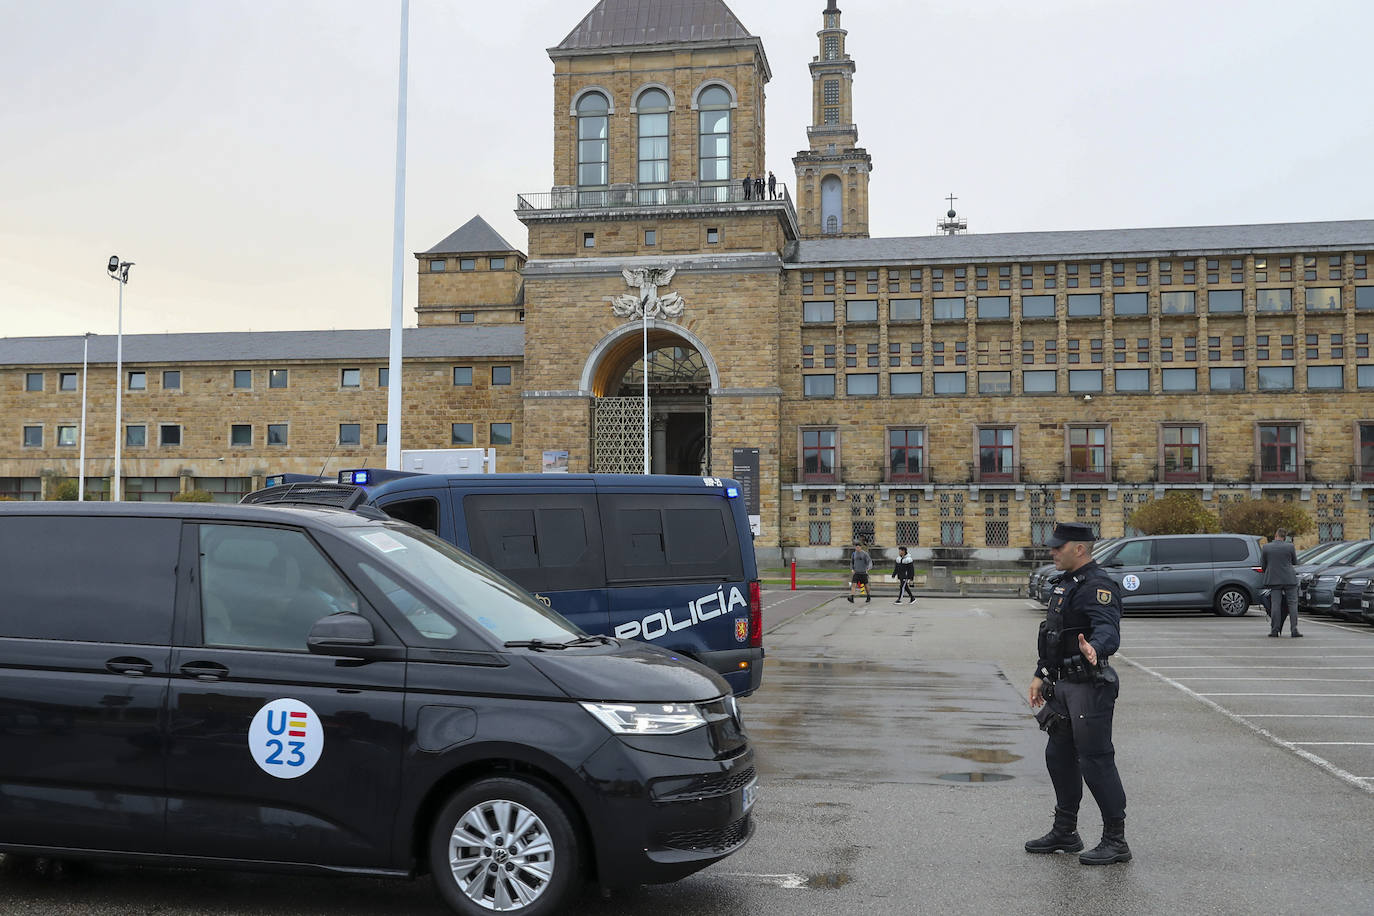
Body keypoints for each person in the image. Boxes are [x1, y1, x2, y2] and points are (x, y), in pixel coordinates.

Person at [1026, 522, 1131, 866]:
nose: (1052, 552)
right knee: (1058, 756)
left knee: (1096, 761)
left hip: (1089, 687)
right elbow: (1053, 635)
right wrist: (1041, 673)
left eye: (1059, 547)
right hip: (1063, 686)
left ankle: (1115, 840)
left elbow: (1107, 630)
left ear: (1080, 549)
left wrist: (1096, 648)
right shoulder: (1066, 584)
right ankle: (1065, 831)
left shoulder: (1098, 586)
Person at [1261, 527, 1301, 637]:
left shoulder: (1266, 547)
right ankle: (1294, 629)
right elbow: (1294, 562)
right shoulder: (1290, 547)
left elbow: (1263, 565)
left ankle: (1275, 630)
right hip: (1289, 579)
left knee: (1275, 604)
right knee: (1293, 604)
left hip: (1274, 580)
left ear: (1276, 535)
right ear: (1285, 537)